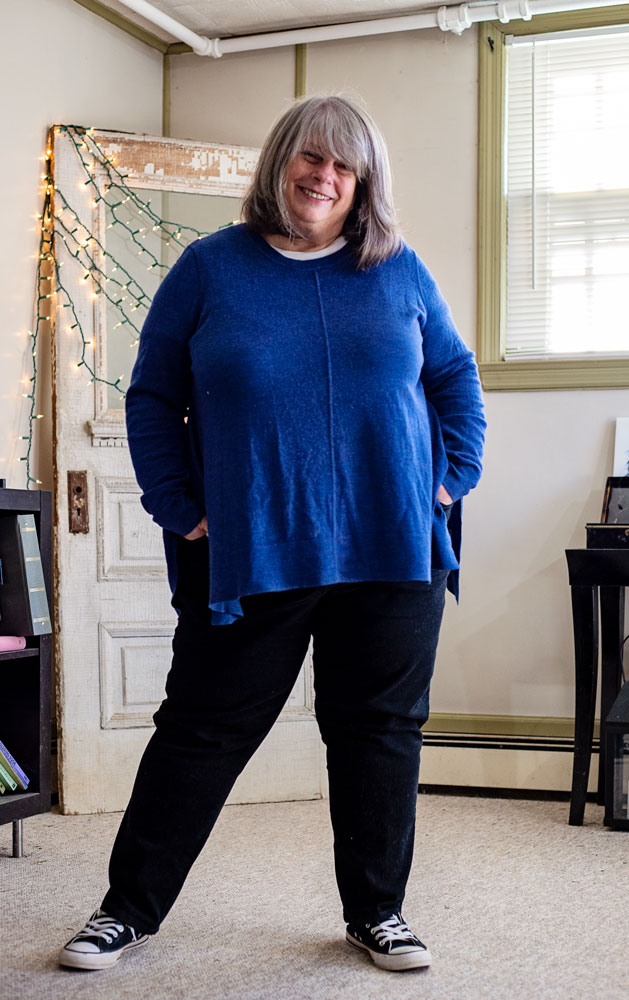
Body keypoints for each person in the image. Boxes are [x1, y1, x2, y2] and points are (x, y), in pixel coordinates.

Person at [59, 94, 485, 974]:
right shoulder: (212, 268)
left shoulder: (397, 270)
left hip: (392, 550)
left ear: (362, 179)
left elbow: (453, 377)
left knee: (378, 733)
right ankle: (124, 912)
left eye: (343, 164)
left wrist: (447, 483)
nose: (324, 176)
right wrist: (179, 505)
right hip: (254, 549)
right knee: (202, 731)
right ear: (280, 164)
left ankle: (378, 913)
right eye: (310, 158)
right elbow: (150, 397)